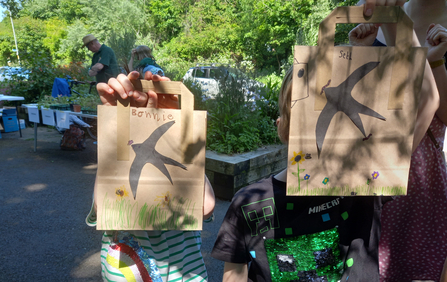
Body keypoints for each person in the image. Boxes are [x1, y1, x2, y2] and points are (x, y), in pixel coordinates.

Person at [211, 66, 392, 282]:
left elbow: (417, 108)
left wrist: (362, 51)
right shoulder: (248, 203)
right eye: (307, 117)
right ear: (282, 127)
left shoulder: (365, 188)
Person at [85, 70, 215, 282]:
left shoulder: (183, 174)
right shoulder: (120, 173)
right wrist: (115, 130)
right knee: (156, 168)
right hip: (130, 274)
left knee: (169, 165)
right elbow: (104, 205)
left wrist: (180, 137)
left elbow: (206, 207)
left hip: (185, 277)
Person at [351, 1, 447, 281]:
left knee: (418, 268)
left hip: (421, 177)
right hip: (370, 171)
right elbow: (359, 102)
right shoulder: (377, 9)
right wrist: (362, 51)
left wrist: (435, 64)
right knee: (366, 268)